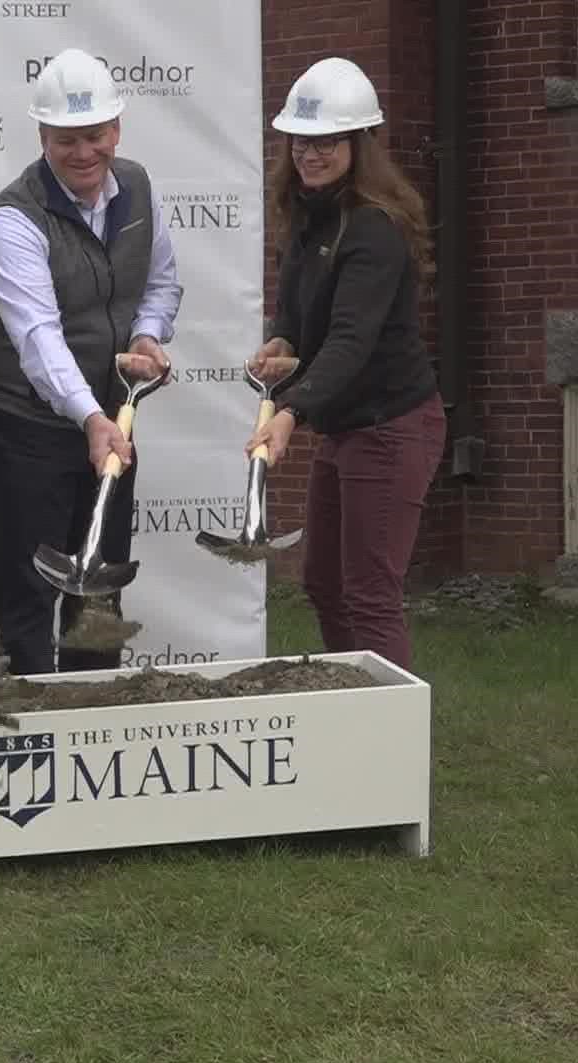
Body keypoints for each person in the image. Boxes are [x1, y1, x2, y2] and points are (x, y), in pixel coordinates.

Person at [0, 48, 180, 677]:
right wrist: (91, 418)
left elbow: (160, 283)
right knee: (32, 592)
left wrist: (146, 336)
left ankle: (93, 720)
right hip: (24, 425)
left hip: (110, 417)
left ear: (116, 129)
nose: (84, 152)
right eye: (67, 139)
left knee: (102, 583)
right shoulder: (11, 221)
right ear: (42, 137)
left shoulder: (136, 185)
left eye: (96, 136)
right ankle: (30, 734)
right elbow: (39, 340)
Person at [246, 57, 446, 671]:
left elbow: (351, 342)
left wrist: (288, 412)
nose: (310, 152)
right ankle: (354, 706)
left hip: (391, 427)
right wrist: (281, 339)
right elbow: (299, 311)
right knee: (324, 586)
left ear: (359, 143)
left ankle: (394, 740)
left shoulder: (373, 231)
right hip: (347, 426)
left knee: (369, 594)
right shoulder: (308, 215)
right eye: (301, 140)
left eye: (326, 141)